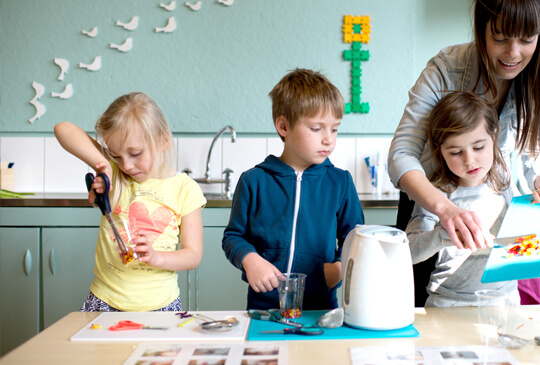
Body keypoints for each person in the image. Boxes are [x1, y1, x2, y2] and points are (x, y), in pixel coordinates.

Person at [388, 0, 540, 304]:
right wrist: (444, 210)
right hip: (431, 198)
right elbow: (401, 154)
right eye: (501, 37)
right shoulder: (447, 68)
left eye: (527, 39)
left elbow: (537, 164)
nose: (513, 53)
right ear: (481, 29)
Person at [222, 69, 365, 310]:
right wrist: (250, 259)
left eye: (334, 128)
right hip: (264, 309)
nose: (328, 139)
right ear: (284, 126)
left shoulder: (340, 182)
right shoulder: (253, 181)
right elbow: (233, 237)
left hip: (321, 308)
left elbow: (356, 237)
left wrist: (338, 268)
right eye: (317, 128)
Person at [406, 91, 540, 307]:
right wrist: (444, 235)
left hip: (504, 302)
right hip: (449, 304)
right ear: (439, 150)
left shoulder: (503, 179)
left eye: (478, 147)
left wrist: (538, 215)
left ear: (494, 137)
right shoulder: (435, 193)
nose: (469, 160)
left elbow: (524, 241)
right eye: (455, 152)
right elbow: (407, 253)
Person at [53, 92, 206, 312]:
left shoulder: (185, 189)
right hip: (105, 302)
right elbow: (62, 129)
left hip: (162, 306)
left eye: (135, 153)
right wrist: (103, 164)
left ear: (163, 140)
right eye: (116, 155)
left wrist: (156, 257)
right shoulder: (114, 174)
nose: (126, 165)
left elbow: (193, 255)